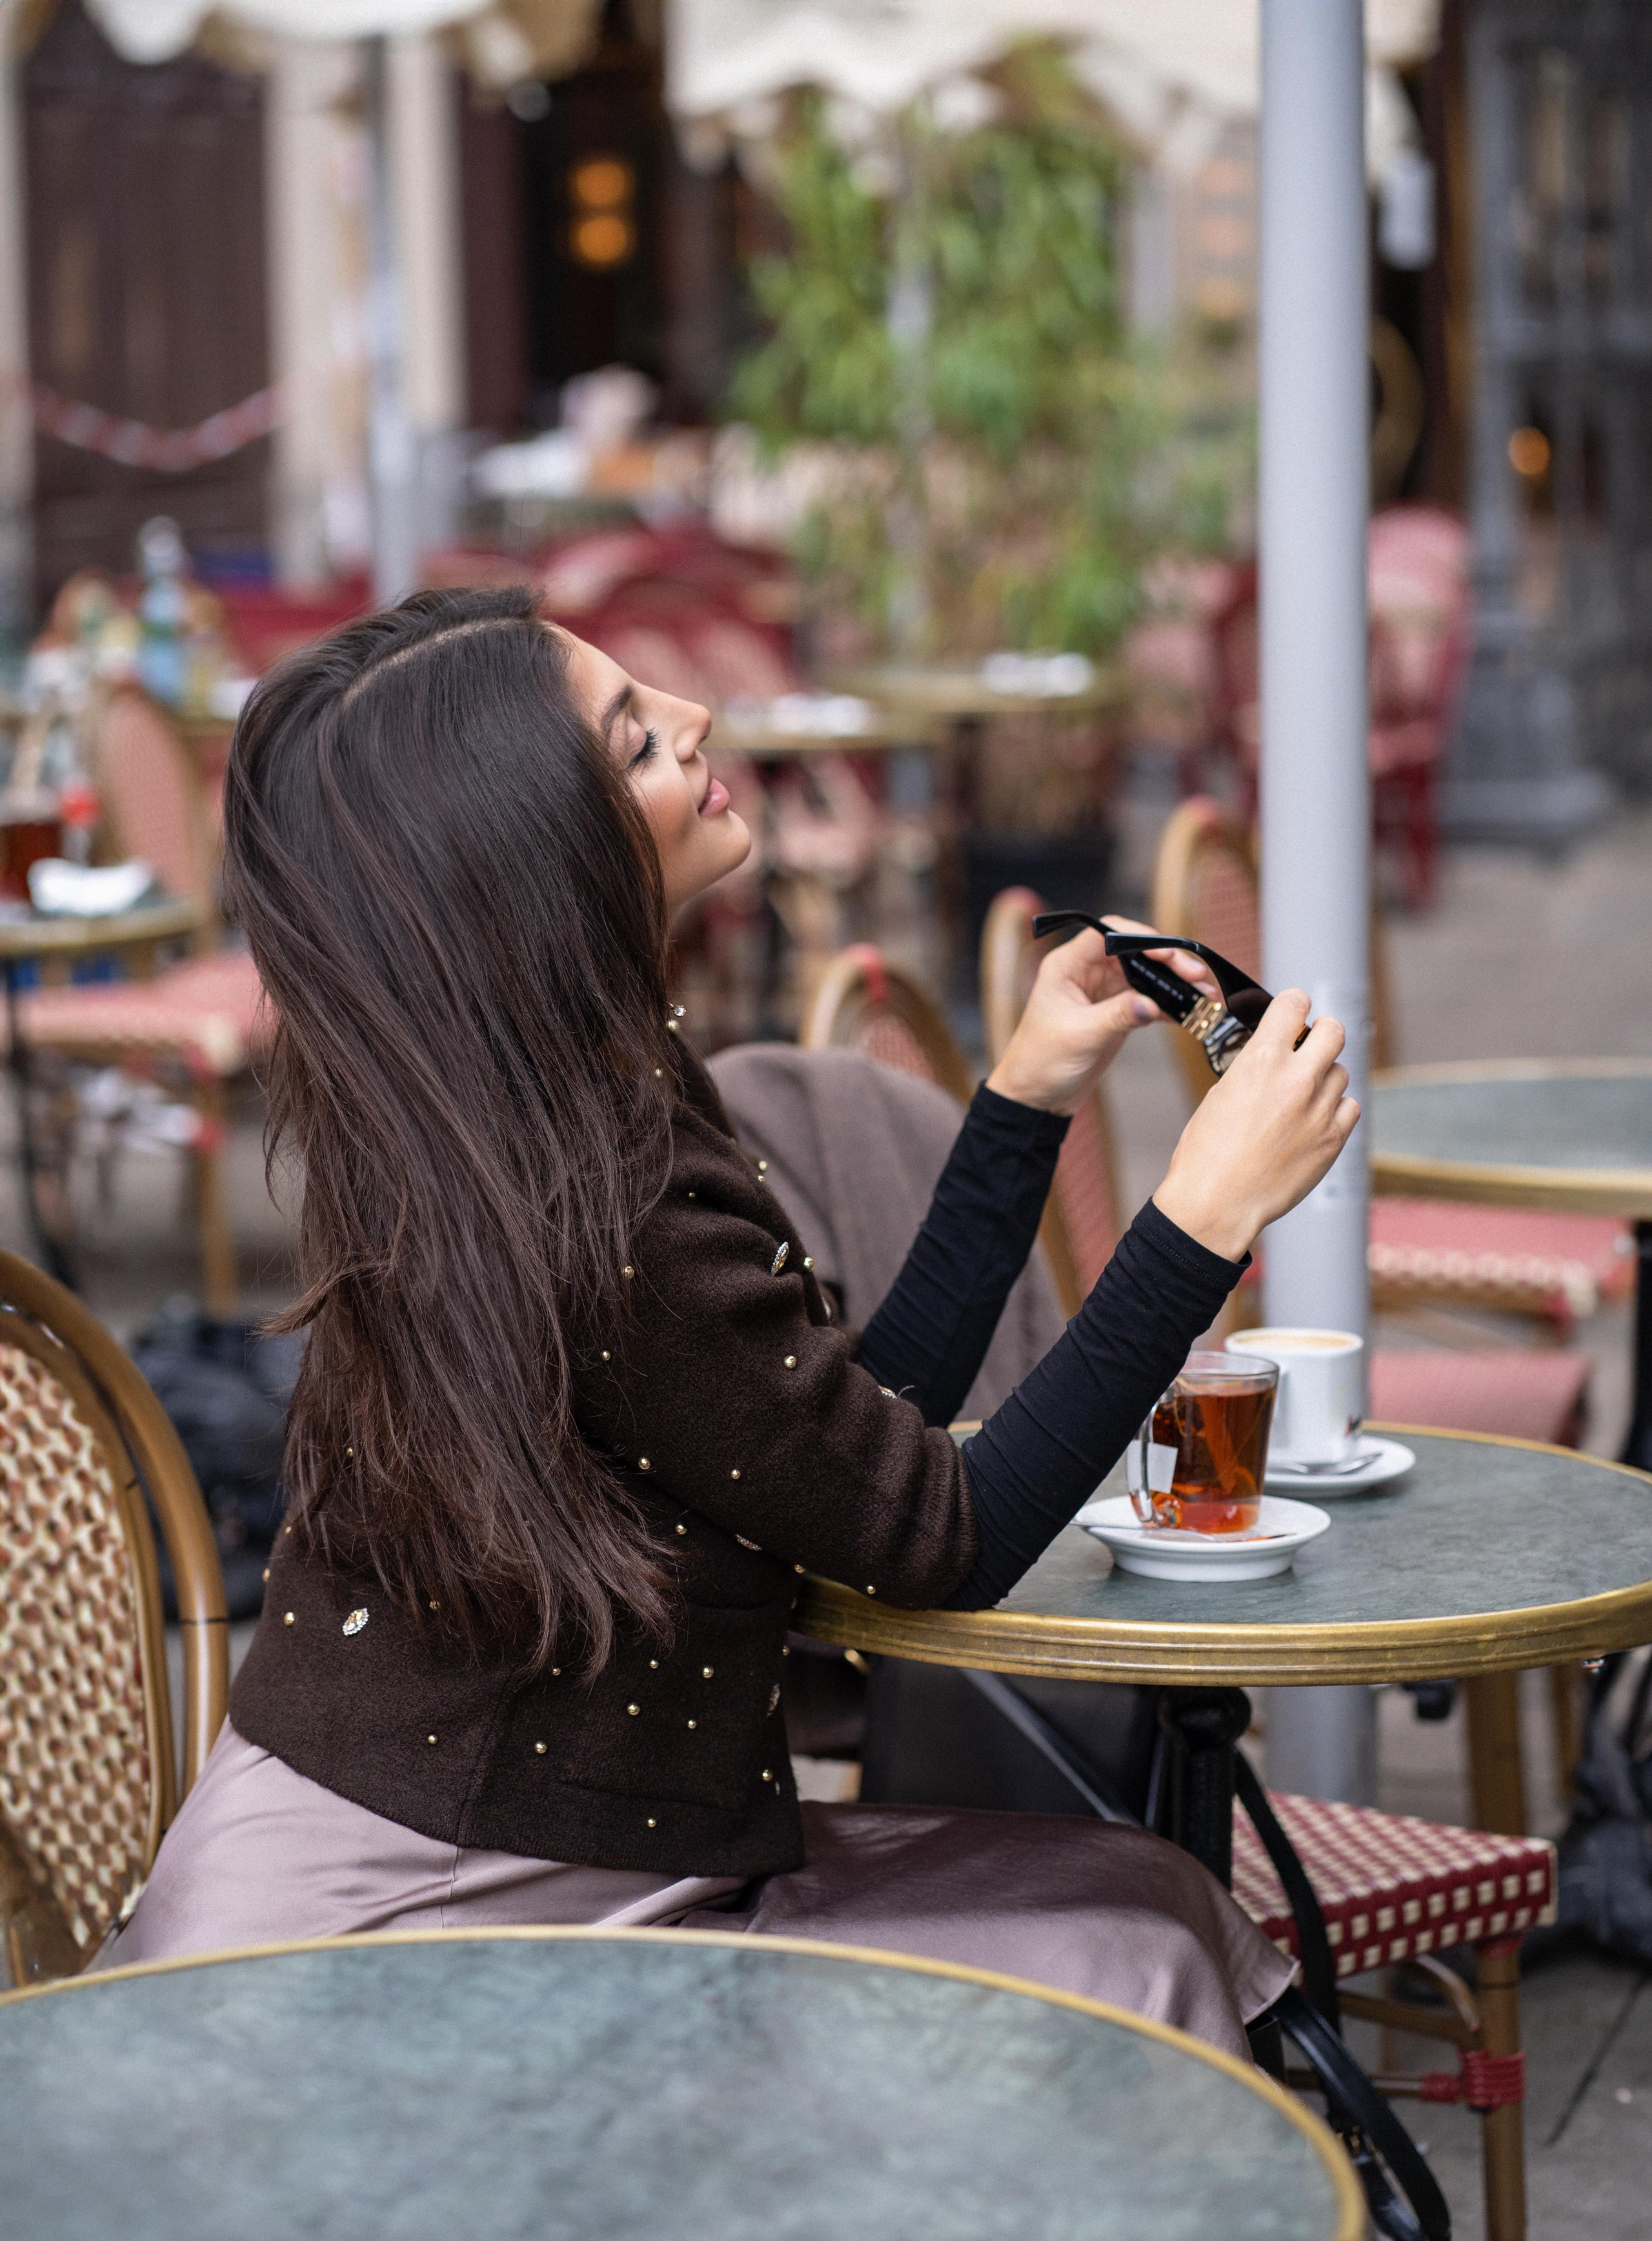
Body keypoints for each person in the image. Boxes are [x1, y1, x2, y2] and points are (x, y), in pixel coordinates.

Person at [110, 588, 1359, 2058]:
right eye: (635, 739)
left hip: (521, 1848)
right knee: (1144, 1951)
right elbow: (940, 1537)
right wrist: (1199, 1222)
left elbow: (836, 1449)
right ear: (551, 862)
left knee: (1147, 1925)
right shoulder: (595, 1190)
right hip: (413, 1921)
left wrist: (1020, 1100)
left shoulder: (553, 1106)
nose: (695, 720)